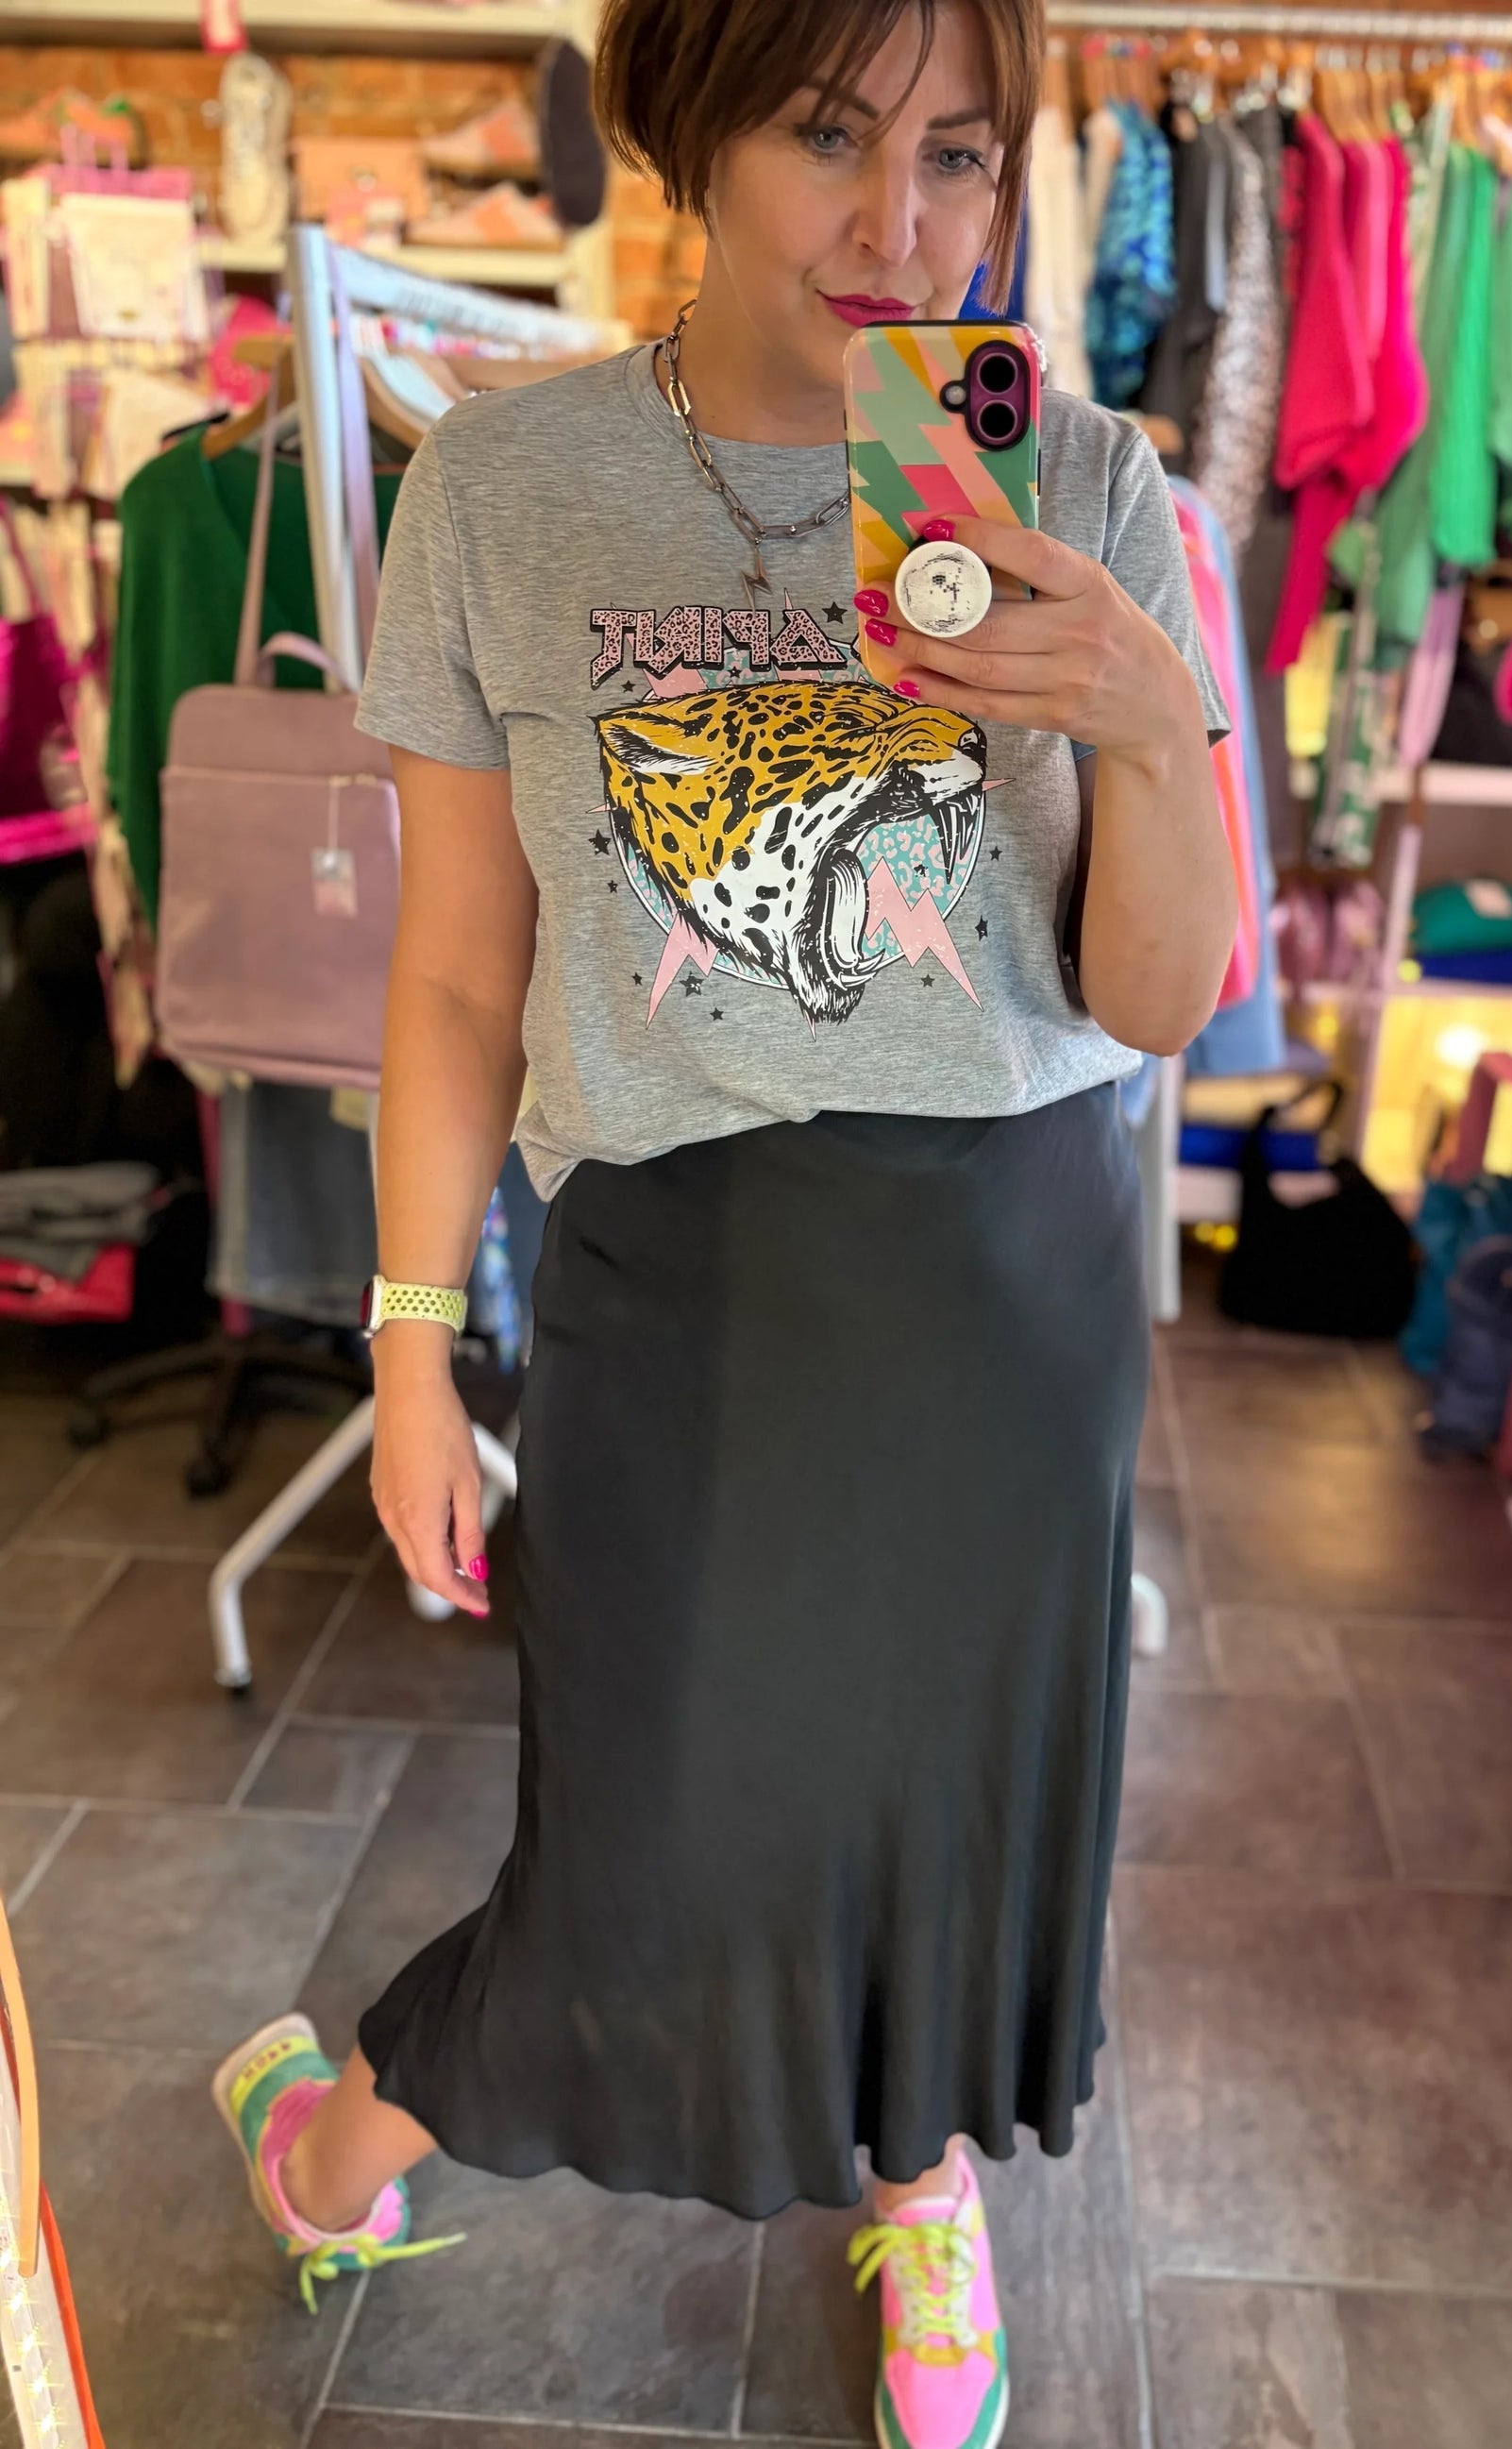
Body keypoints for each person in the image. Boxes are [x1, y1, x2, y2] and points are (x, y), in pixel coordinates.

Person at [212, 2, 1235, 2441]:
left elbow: (1153, 991)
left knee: (938, 1819)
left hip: (1007, 1281)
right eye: (828, 135)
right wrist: (400, 1340)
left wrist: (1141, 709)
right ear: (685, 132)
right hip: (677, 1289)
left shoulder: (1071, 478)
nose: (904, 227)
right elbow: (457, 969)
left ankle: (916, 2194)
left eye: (963, 155)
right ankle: (350, 2132)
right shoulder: (501, 486)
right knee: (640, 1836)